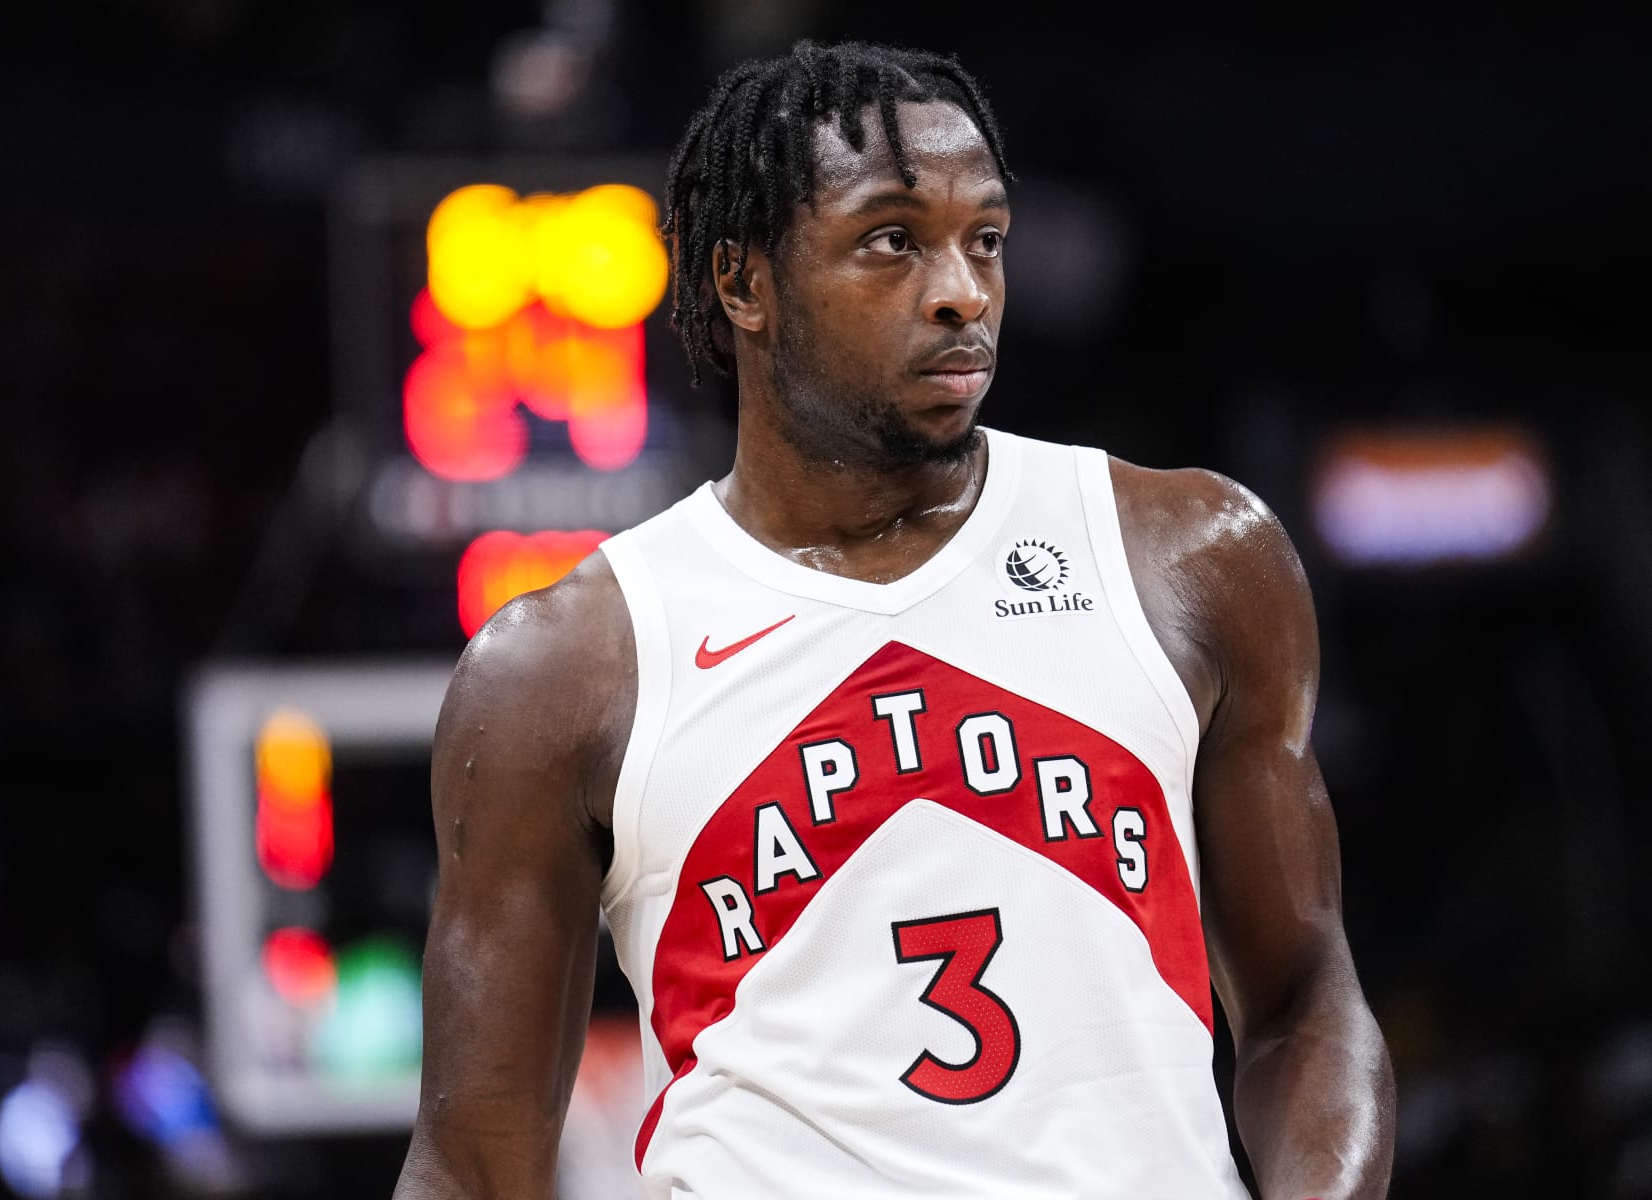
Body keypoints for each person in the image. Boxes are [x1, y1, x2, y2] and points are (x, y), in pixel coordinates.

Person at [393, 39, 1395, 1200]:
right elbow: (472, 1162)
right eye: (892, 240)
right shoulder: (566, 667)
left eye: (986, 239)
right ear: (742, 283)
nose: (963, 288)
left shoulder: (1191, 558)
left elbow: (1306, 1002)